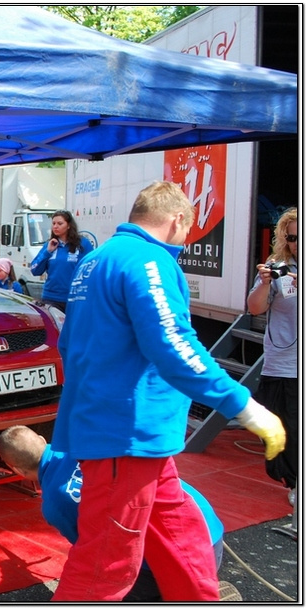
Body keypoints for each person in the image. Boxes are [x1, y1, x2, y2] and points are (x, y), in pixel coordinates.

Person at [51, 181, 285, 601]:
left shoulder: (96, 259)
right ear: (178, 219)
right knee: (106, 562)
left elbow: (69, 345)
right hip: (126, 436)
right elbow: (174, 345)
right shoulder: (148, 260)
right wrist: (245, 407)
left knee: (182, 537)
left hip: (125, 434)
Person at [0, 425, 228, 602]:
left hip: (171, 557)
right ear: (43, 440)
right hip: (207, 529)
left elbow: (98, 555)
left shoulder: (55, 505)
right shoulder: (87, 441)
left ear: (16, 470)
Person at [246, 208, 298, 508]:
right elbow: (254, 308)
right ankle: (293, 480)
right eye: (291, 237)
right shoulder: (279, 268)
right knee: (285, 429)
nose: (295, 244)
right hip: (283, 365)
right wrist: (266, 282)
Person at [29, 210, 93, 311]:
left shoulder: (83, 244)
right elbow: (34, 270)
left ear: (68, 225)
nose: (55, 226)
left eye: (60, 223)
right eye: (53, 223)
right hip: (51, 298)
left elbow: (91, 270)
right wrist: (48, 252)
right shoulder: (49, 245)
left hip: (75, 298)